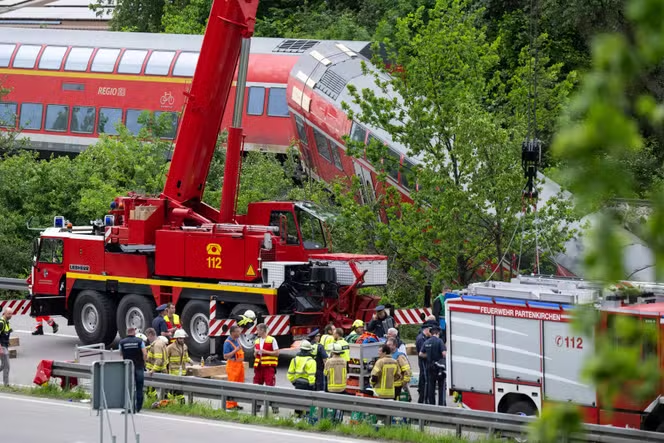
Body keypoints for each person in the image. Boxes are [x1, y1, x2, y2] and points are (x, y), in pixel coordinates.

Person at [118, 326, 147, 413]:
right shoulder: (140, 341)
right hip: (139, 366)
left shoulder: (122, 342)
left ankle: (128, 406)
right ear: (134, 332)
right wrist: (143, 362)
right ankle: (138, 407)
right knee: (139, 387)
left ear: (127, 333)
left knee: (128, 387)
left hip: (128, 368)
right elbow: (145, 353)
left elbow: (120, 354)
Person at [253, 323, 279, 413]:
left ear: (263, 330)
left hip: (268, 367)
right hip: (259, 367)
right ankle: (257, 406)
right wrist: (255, 353)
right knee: (257, 386)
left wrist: (265, 351)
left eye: (258, 330)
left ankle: (274, 407)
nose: (257, 332)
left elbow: (277, 353)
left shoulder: (272, 340)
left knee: (270, 386)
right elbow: (254, 354)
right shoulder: (256, 341)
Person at [287, 340, 317, 417]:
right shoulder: (311, 361)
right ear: (309, 350)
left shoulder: (294, 359)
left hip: (298, 384)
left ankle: (297, 416)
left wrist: (293, 382)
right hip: (307, 384)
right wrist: (312, 385)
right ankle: (307, 416)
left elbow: (290, 374)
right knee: (308, 402)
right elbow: (311, 375)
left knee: (299, 401)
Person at [420, 326, 446, 406]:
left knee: (431, 387)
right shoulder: (440, 341)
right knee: (441, 387)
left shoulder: (426, 342)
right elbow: (444, 354)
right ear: (438, 333)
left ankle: (432, 405)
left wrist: (428, 356)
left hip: (430, 367)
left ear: (431, 333)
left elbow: (420, 354)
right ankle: (441, 405)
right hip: (440, 368)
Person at [166, 329, 192, 403]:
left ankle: (170, 401)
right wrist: (166, 369)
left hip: (182, 372)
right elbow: (165, 358)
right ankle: (179, 402)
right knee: (176, 389)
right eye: (180, 338)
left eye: (183, 338)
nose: (182, 340)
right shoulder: (170, 347)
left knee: (176, 389)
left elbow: (186, 357)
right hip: (173, 372)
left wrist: (190, 361)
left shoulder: (185, 347)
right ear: (176, 339)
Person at [223, 325, 245, 410]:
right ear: (233, 333)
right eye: (238, 331)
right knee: (232, 385)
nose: (240, 333)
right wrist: (235, 350)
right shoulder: (227, 342)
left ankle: (235, 403)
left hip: (239, 365)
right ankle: (229, 405)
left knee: (238, 386)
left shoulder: (237, 340)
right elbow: (225, 356)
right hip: (233, 366)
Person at [415, 318, 435, 403]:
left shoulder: (425, 337)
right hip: (423, 363)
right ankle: (423, 399)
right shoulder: (421, 339)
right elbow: (422, 353)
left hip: (426, 363)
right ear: (426, 330)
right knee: (425, 380)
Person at [0, 308, 13, 386]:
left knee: (3, 365)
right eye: (9, 314)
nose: (10, 315)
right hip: (2, 347)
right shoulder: (1, 323)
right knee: (7, 366)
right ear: (4, 313)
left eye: (11, 314)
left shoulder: (6, 322)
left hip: (5, 345)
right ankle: (6, 384)